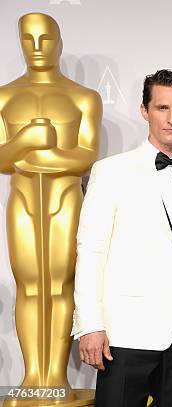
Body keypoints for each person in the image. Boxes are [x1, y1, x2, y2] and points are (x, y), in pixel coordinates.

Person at [72, 70, 172, 407]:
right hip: (125, 331)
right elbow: (91, 251)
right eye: (162, 108)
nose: (171, 118)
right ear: (144, 110)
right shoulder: (110, 171)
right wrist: (90, 325)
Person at [0, 13, 101, 393]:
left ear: (59, 41)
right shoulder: (4, 96)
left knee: (60, 285)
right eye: (29, 39)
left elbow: (87, 157)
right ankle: (32, 377)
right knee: (28, 284)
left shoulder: (83, 97)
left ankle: (54, 376)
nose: (37, 47)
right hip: (23, 199)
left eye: (45, 38)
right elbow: (1, 158)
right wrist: (27, 138)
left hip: (65, 199)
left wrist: (31, 159)